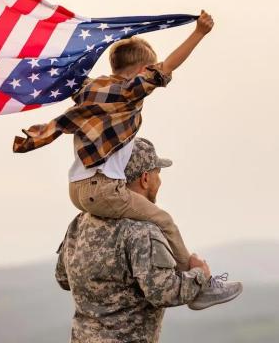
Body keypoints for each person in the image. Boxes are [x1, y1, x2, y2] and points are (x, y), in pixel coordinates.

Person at [14, 10, 213, 271]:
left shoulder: (90, 88)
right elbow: (167, 67)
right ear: (143, 71)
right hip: (102, 187)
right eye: (149, 71)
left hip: (76, 188)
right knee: (164, 220)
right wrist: (199, 33)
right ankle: (195, 277)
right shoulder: (128, 91)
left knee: (121, 217)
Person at [55, 138, 243, 343]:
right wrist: (199, 275)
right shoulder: (142, 232)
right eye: (157, 174)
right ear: (145, 178)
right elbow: (163, 292)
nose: (160, 181)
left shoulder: (79, 223)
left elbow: (63, 278)